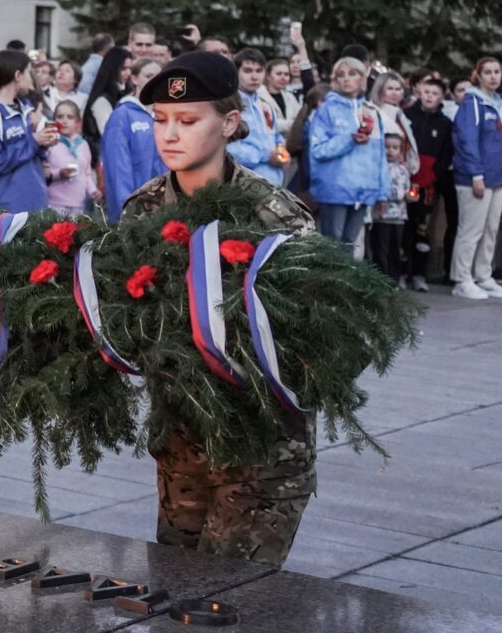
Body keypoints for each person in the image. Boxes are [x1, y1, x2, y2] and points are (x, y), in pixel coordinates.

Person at [119, 50, 318, 565]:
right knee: (174, 592)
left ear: (230, 123)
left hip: (261, 451)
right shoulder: (142, 210)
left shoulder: (272, 215)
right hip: (181, 447)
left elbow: (317, 330)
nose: (169, 134)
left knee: (231, 607)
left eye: (187, 121)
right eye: (160, 120)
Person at [451, 57, 502, 299]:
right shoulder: (472, 103)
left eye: (497, 71)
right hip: (476, 177)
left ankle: (483, 275)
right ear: (477, 75)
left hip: (498, 176)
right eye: (487, 72)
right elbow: (467, 141)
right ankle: (462, 278)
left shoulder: (499, 103)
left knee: (491, 229)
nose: (493, 76)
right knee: (471, 229)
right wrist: (476, 173)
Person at [307, 57, 385, 249]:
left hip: (364, 189)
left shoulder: (371, 111)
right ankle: (327, 280)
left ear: (362, 79)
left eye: (352, 74)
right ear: (335, 80)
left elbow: (380, 155)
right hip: (335, 188)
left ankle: (345, 281)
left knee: (350, 243)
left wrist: (381, 192)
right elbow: (318, 150)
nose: (346, 79)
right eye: (341, 75)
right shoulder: (326, 110)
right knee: (332, 242)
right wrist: (349, 140)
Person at [0, 50, 56, 214]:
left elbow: (27, 154)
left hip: (32, 202)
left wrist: (43, 143)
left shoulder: (25, 109)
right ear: (18, 75)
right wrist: (34, 141)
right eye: (29, 72)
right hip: (5, 208)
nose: (32, 79)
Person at [403, 77, 452, 292]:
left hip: (429, 184)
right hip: (406, 181)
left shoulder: (444, 124)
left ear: (441, 97)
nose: (430, 96)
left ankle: (420, 274)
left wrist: (434, 174)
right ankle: (402, 272)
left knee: (422, 229)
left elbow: (446, 154)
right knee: (404, 228)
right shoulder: (406, 116)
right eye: (427, 92)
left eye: (435, 93)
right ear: (419, 93)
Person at [101, 59, 164, 209]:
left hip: (164, 203)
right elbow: (118, 166)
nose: (154, 81)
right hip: (136, 205)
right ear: (134, 79)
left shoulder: (165, 114)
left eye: (158, 76)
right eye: (149, 76)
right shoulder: (123, 115)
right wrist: (127, 206)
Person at [229, 50, 282, 185]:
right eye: (247, 71)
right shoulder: (230, 105)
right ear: (237, 72)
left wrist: (281, 150)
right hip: (244, 184)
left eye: (259, 71)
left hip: (273, 182)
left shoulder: (265, 105)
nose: (254, 76)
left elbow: (275, 137)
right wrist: (265, 156)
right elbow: (229, 148)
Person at [369, 134, 411, 283]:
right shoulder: (378, 167)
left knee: (395, 249)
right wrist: (398, 195)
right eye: (387, 147)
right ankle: (381, 279)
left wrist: (409, 196)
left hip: (399, 216)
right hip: (382, 216)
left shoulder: (403, 170)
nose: (390, 151)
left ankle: (394, 279)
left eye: (395, 147)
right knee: (381, 249)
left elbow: (406, 189)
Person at [43, 99, 96, 213]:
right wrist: (58, 174)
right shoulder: (50, 143)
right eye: (60, 117)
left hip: (78, 205)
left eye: (70, 117)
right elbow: (43, 173)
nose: (64, 121)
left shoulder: (83, 144)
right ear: (54, 120)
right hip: (55, 204)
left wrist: (93, 191)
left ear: (78, 122)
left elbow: (86, 174)